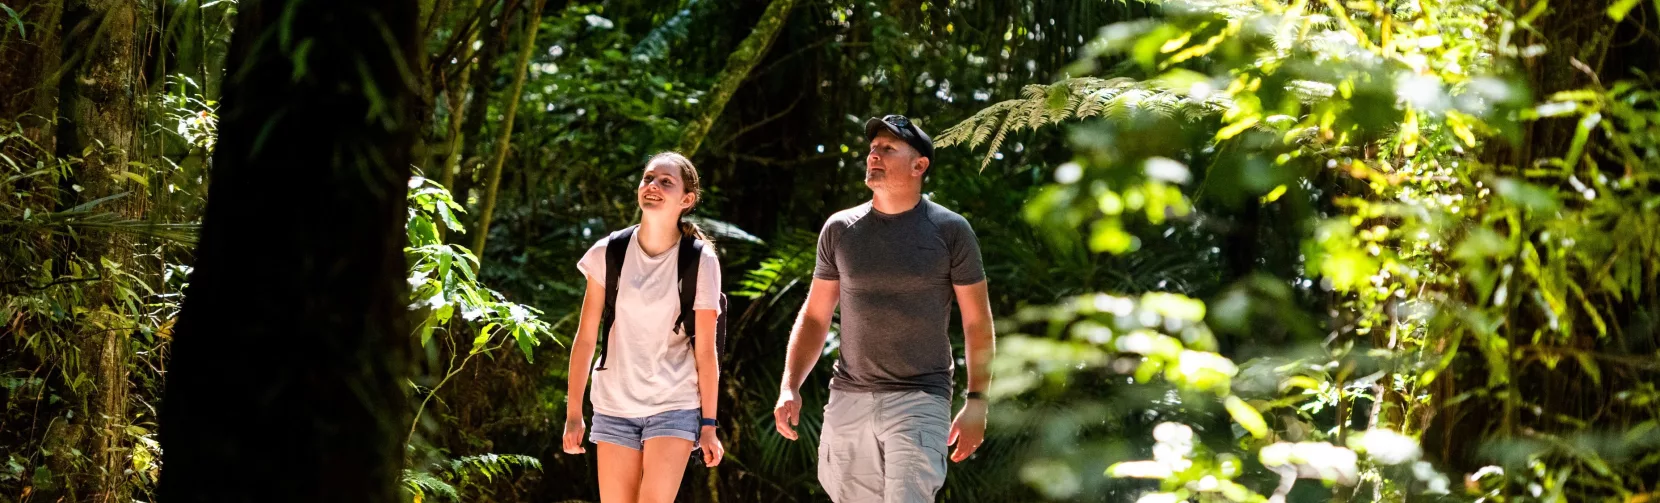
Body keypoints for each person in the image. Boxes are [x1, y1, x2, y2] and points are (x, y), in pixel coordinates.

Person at [773, 114, 997, 502]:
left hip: (921, 397)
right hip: (848, 397)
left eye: (887, 149)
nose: (874, 155)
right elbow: (815, 315)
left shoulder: (950, 231)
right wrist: (789, 385)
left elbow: (977, 322)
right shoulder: (840, 229)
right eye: (873, 149)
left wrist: (977, 402)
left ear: (919, 165)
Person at [562, 152, 725, 503]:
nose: (653, 186)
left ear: (687, 199)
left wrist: (709, 425)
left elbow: (706, 353)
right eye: (648, 178)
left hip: (674, 404)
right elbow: (586, 337)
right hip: (614, 405)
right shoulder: (609, 252)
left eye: (666, 182)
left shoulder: (700, 260)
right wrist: (573, 414)